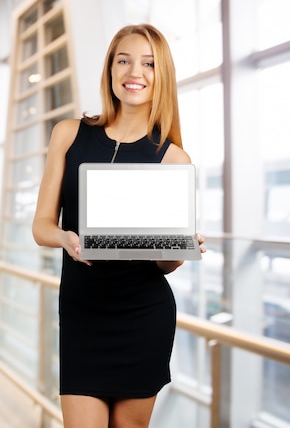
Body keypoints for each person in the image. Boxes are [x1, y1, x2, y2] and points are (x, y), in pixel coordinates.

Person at [32, 24, 206, 427]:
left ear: (160, 75)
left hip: (142, 317)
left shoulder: (174, 159)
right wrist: (65, 238)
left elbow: (165, 265)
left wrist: (175, 249)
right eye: (124, 60)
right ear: (110, 69)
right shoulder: (69, 134)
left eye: (148, 64)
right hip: (81, 314)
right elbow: (42, 225)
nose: (135, 72)